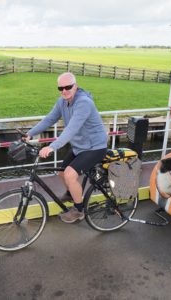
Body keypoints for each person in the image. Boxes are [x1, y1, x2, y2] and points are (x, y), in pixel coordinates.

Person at [25, 72, 108, 223]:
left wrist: (52, 147)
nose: (64, 91)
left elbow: (71, 129)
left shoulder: (84, 103)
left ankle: (78, 210)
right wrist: (30, 133)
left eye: (68, 87)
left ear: (75, 86)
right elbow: (50, 119)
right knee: (62, 172)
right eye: (60, 88)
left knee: (70, 174)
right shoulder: (62, 102)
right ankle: (72, 193)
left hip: (95, 146)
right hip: (79, 146)